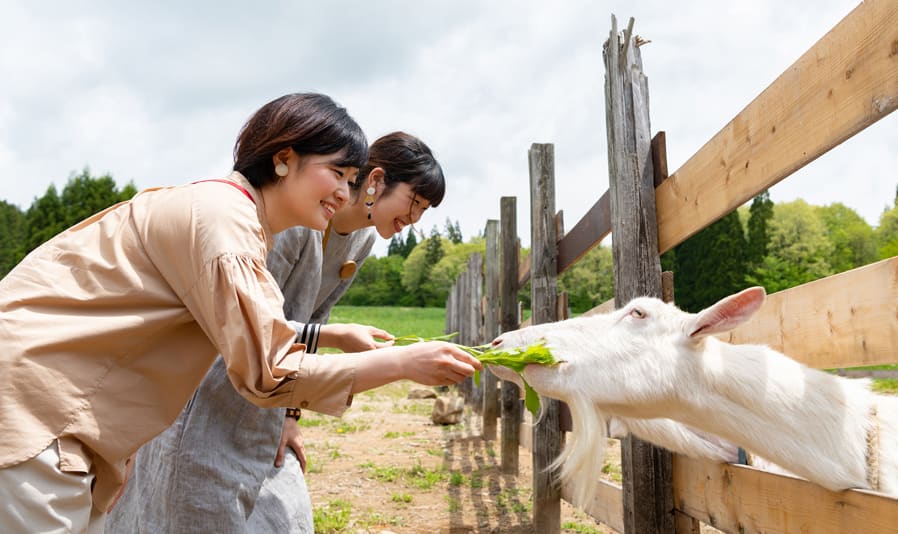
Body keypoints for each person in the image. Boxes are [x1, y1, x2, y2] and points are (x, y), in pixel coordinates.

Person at [0, 94, 480, 533]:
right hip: (42, 411)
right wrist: (403, 363)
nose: (342, 193)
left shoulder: (239, 217)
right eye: (337, 174)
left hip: (77, 418)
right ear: (283, 159)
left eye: (350, 180)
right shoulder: (228, 226)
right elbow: (267, 366)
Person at [105, 131, 444, 533]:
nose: (414, 219)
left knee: (285, 515)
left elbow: (318, 315)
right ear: (377, 180)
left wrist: (291, 414)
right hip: (216, 379)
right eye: (414, 202)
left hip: (273, 391)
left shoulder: (361, 241)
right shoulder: (299, 221)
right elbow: (241, 321)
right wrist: (344, 344)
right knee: (191, 506)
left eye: (424, 210)